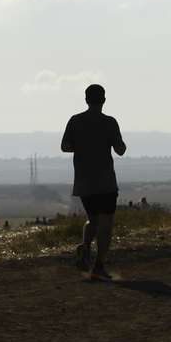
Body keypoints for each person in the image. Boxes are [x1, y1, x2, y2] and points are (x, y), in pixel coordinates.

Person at [62, 83, 126, 281]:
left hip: (84, 181)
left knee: (95, 220)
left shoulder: (75, 121)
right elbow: (121, 149)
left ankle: (85, 247)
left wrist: (83, 146)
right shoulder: (110, 123)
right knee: (105, 224)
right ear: (104, 100)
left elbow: (65, 146)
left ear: (86, 99)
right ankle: (98, 265)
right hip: (105, 181)